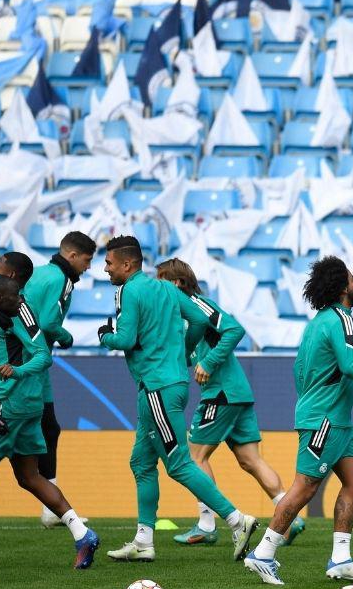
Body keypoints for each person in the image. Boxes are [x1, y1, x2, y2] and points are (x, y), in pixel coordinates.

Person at [98, 236, 258, 563]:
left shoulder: (127, 291)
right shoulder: (169, 289)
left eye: (110, 263)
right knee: (141, 462)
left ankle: (236, 520)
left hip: (157, 387)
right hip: (169, 384)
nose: (106, 268)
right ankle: (144, 541)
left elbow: (125, 338)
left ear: (127, 264)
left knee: (179, 463)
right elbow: (199, 320)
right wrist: (184, 350)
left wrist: (105, 335)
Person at [245, 256, 353, 586]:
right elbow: (350, 365)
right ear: (343, 287)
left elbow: (299, 370)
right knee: (305, 486)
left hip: (337, 421)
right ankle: (264, 552)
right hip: (325, 421)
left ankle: (341, 558)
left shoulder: (317, 323)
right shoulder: (343, 320)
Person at [154, 258, 304, 548]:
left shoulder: (198, 303)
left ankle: (207, 524)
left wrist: (208, 362)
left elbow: (234, 329)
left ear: (176, 283)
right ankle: (290, 516)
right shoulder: (182, 312)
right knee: (251, 460)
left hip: (220, 393)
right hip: (236, 393)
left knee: (193, 457)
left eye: (160, 280)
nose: (156, 287)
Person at [0, 274, 99, 569]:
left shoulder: (7, 319)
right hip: (27, 407)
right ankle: (82, 533)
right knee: (29, 476)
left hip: (4, 407)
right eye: (15, 297)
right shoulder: (7, 318)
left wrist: (17, 372)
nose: (20, 300)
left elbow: (38, 357)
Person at [19, 232, 98, 528]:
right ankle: (51, 507)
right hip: (31, 362)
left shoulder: (38, 273)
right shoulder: (61, 280)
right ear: (73, 256)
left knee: (48, 428)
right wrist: (66, 337)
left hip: (29, 360)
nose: (89, 267)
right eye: (88, 260)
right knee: (39, 430)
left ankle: (51, 507)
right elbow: (50, 323)